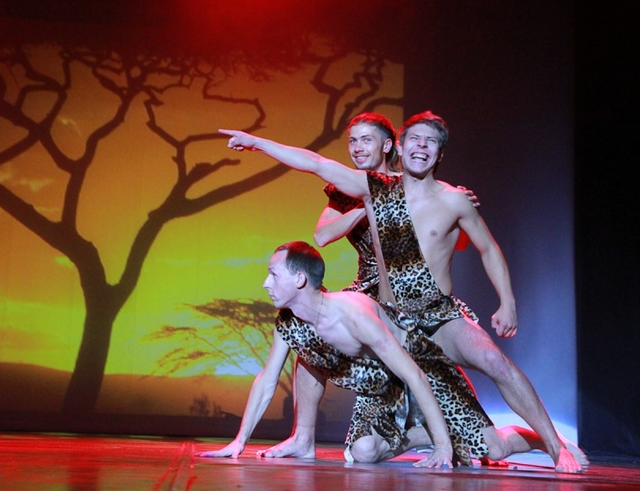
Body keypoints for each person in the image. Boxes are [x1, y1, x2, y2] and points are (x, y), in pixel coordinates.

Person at [221, 114, 587, 473]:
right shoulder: (375, 189)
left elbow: (486, 248)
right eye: (415, 139)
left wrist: (507, 302)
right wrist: (256, 142)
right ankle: (313, 437)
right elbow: (316, 164)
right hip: (389, 316)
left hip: (438, 316)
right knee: (356, 436)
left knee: (494, 369)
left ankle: (553, 444)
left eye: (431, 142)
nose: (421, 147)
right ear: (400, 145)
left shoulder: (453, 199)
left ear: (438, 153)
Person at [199, 242, 579, 469]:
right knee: (363, 453)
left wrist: (444, 448)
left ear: (299, 279)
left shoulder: (353, 314)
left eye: (272, 274)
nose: (265, 283)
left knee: (491, 448)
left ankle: (542, 440)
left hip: (423, 369)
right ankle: (423, 435)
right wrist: (239, 442)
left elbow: (414, 374)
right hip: (384, 389)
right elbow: (267, 380)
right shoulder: (290, 322)